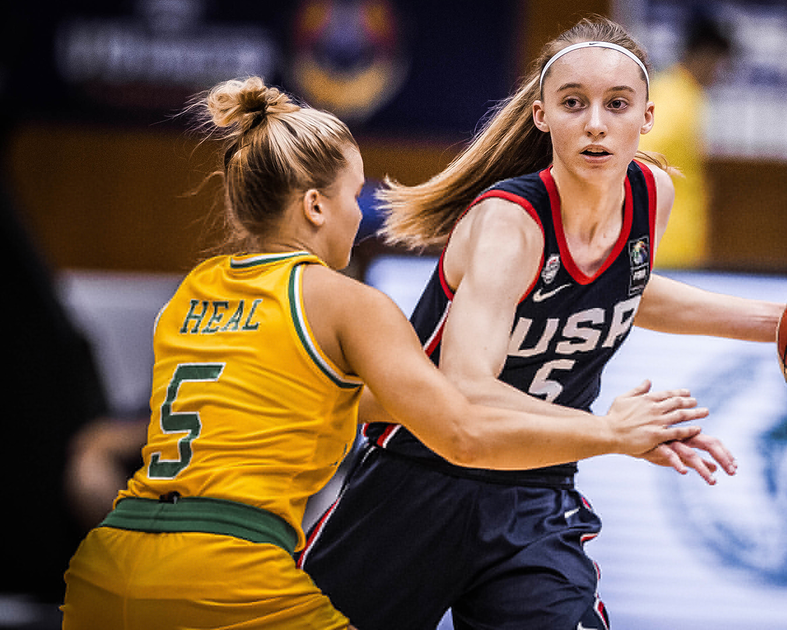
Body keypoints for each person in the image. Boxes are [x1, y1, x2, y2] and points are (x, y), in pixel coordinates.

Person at [59, 76, 713, 630]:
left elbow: (333, 402)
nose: (359, 215)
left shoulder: (189, 296)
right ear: (315, 206)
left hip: (109, 563)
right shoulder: (347, 303)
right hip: (224, 571)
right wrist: (612, 432)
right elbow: (461, 432)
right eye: (353, 196)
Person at [300, 15, 783, 630]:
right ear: (542, 115)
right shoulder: (509, 222)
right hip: (418, 479)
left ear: (646, 117)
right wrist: (610, 431)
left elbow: (625, 289)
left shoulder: (651, 194)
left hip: (536, 488)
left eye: (616, 104)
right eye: (574, 103)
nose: (596, 123)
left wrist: (780, 323)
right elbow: (467, 390)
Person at [638, 11, 733, 269]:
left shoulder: (683, 94)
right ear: (705, 56)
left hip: (674, 240)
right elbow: (640, 157)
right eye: (720, 64)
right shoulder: (676, 98)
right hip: (666, 244)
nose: (720, 75)